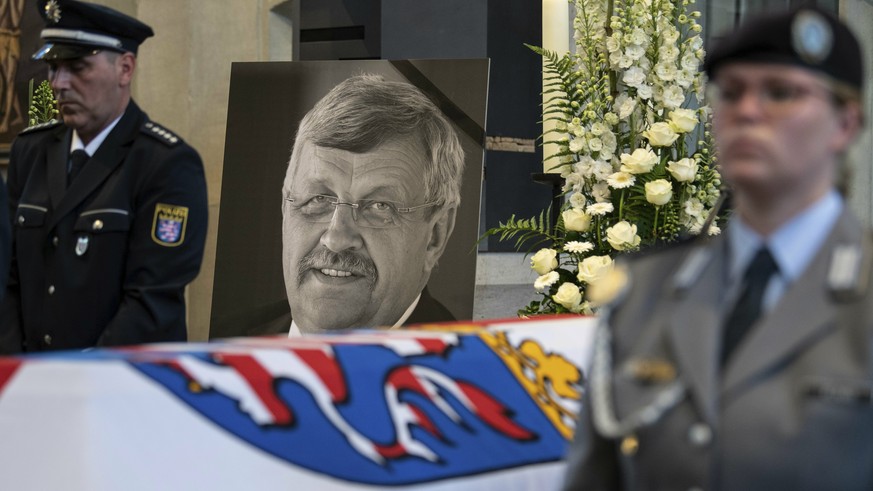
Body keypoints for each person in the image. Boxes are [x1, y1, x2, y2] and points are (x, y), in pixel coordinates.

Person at [563, 6, 873, 490]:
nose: (747, 110)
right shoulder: (645, 288)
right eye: (731, 93)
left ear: (845, 124)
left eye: (780, 92)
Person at [0, 0, 207, 352]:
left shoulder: (166, 163)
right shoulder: (30, 152)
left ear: (125, 69)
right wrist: (18, 370)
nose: (58, 83)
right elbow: (8, 278)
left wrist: (81, 377)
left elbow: (150, 302)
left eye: (77, 67)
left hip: (119, 385)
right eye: (52, 67)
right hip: (30, 384)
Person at [279, 74, 463, 335]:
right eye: (318, 199)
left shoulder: (463, 369)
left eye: (379, 206)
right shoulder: (223, 340)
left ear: (435, 235)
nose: (336, 238)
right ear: (286, 210)